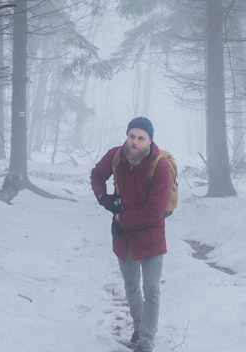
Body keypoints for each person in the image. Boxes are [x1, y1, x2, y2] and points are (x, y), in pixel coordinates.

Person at [90, 117, 172, 352]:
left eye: (141, 138)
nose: (134, 142)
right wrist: (103, 198)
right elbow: (96, 174)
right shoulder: (117, 156)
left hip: (151, 237)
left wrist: (122, 218)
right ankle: (138, 330)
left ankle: (146, 341)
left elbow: (155, 212)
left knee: (152, 289)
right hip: (123, 237)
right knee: (131, 287)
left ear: (149, 140)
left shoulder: (160, 167)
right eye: (131, 136)